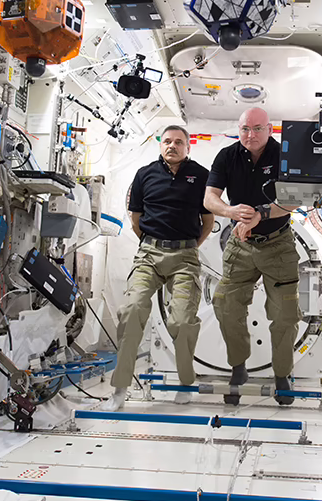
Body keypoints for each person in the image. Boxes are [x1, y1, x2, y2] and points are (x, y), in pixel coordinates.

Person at [102, 125, 214, 411]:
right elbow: (135, 218)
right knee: (132, 309)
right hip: (149, 254)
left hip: (185, 256)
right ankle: (120, 389)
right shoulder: (145, 175)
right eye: (167, 141)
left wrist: (190, 247)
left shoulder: (201, 176)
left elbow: (208, 221)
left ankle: (186, 382)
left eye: (178, 142)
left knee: (181, 320)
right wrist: (152, 244)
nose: (172, 146)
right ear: (160, 144)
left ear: (188, 147)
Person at [204, 108, 300, 405]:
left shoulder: (286, 154)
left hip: (278, 244)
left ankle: (282, 374)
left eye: (257, 128)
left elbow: (293, 200)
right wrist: (231, 212)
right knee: (225, 305)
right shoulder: (227, 156)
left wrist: (260, 214)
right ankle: (238, 367)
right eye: (245, 128)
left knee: (284, 314)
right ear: (239, 129)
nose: (251, 135)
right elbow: (209, 198)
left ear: (270, 129)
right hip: (240, 246)